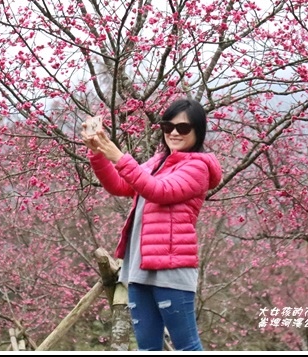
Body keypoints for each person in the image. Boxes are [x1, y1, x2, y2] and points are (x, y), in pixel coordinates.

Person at [81, 98, 222, 351]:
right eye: (168, 127)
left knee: (186, 346)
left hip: (171, 268)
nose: (174, 133)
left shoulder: (198, 167)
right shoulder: (158, 162)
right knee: (147, 348)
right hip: (139, 267)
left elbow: (159, 191)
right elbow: (120, 185)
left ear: (198, 132)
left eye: (183, 128)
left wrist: (119, 156)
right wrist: (98, 154)